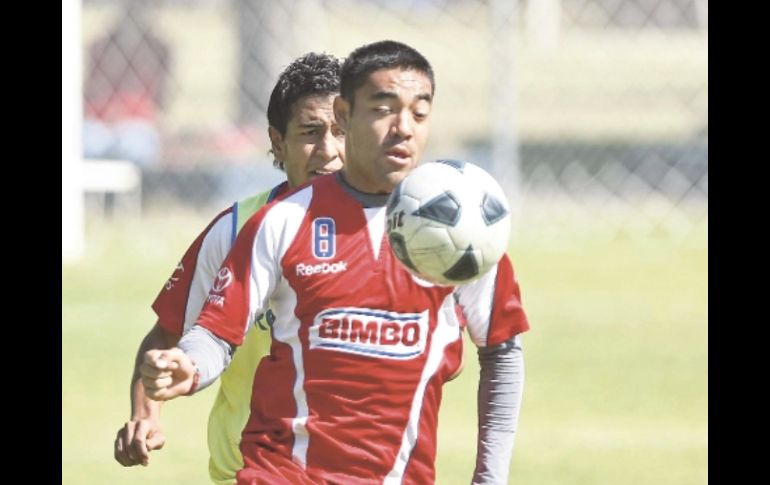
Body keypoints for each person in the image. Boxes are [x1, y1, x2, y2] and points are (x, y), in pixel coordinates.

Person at [141, 40, 528, 484]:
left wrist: (490, 477)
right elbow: (215, 334)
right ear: (344, 114)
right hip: (281, 474)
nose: (403, 128)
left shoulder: (468, 227)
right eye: (383, 110)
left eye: (418, 113)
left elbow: (501, 352)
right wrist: (189, 367)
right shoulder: (283, 221)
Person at [114, 52, 345, 485]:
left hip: (359, 469)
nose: (329, 150)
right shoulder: (237, 229)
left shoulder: (396, 230)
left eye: (341, 131)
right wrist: (146, 416)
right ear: (278, 142)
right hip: (252, 469)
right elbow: (169, 333)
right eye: (310, 133)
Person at [83, 4, 171, 168]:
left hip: (136, 123)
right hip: (100, 122)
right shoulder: (100, 47)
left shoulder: (158, 49)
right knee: (89, 141)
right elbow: (91, 94)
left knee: (134, 145)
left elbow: (159, 103)